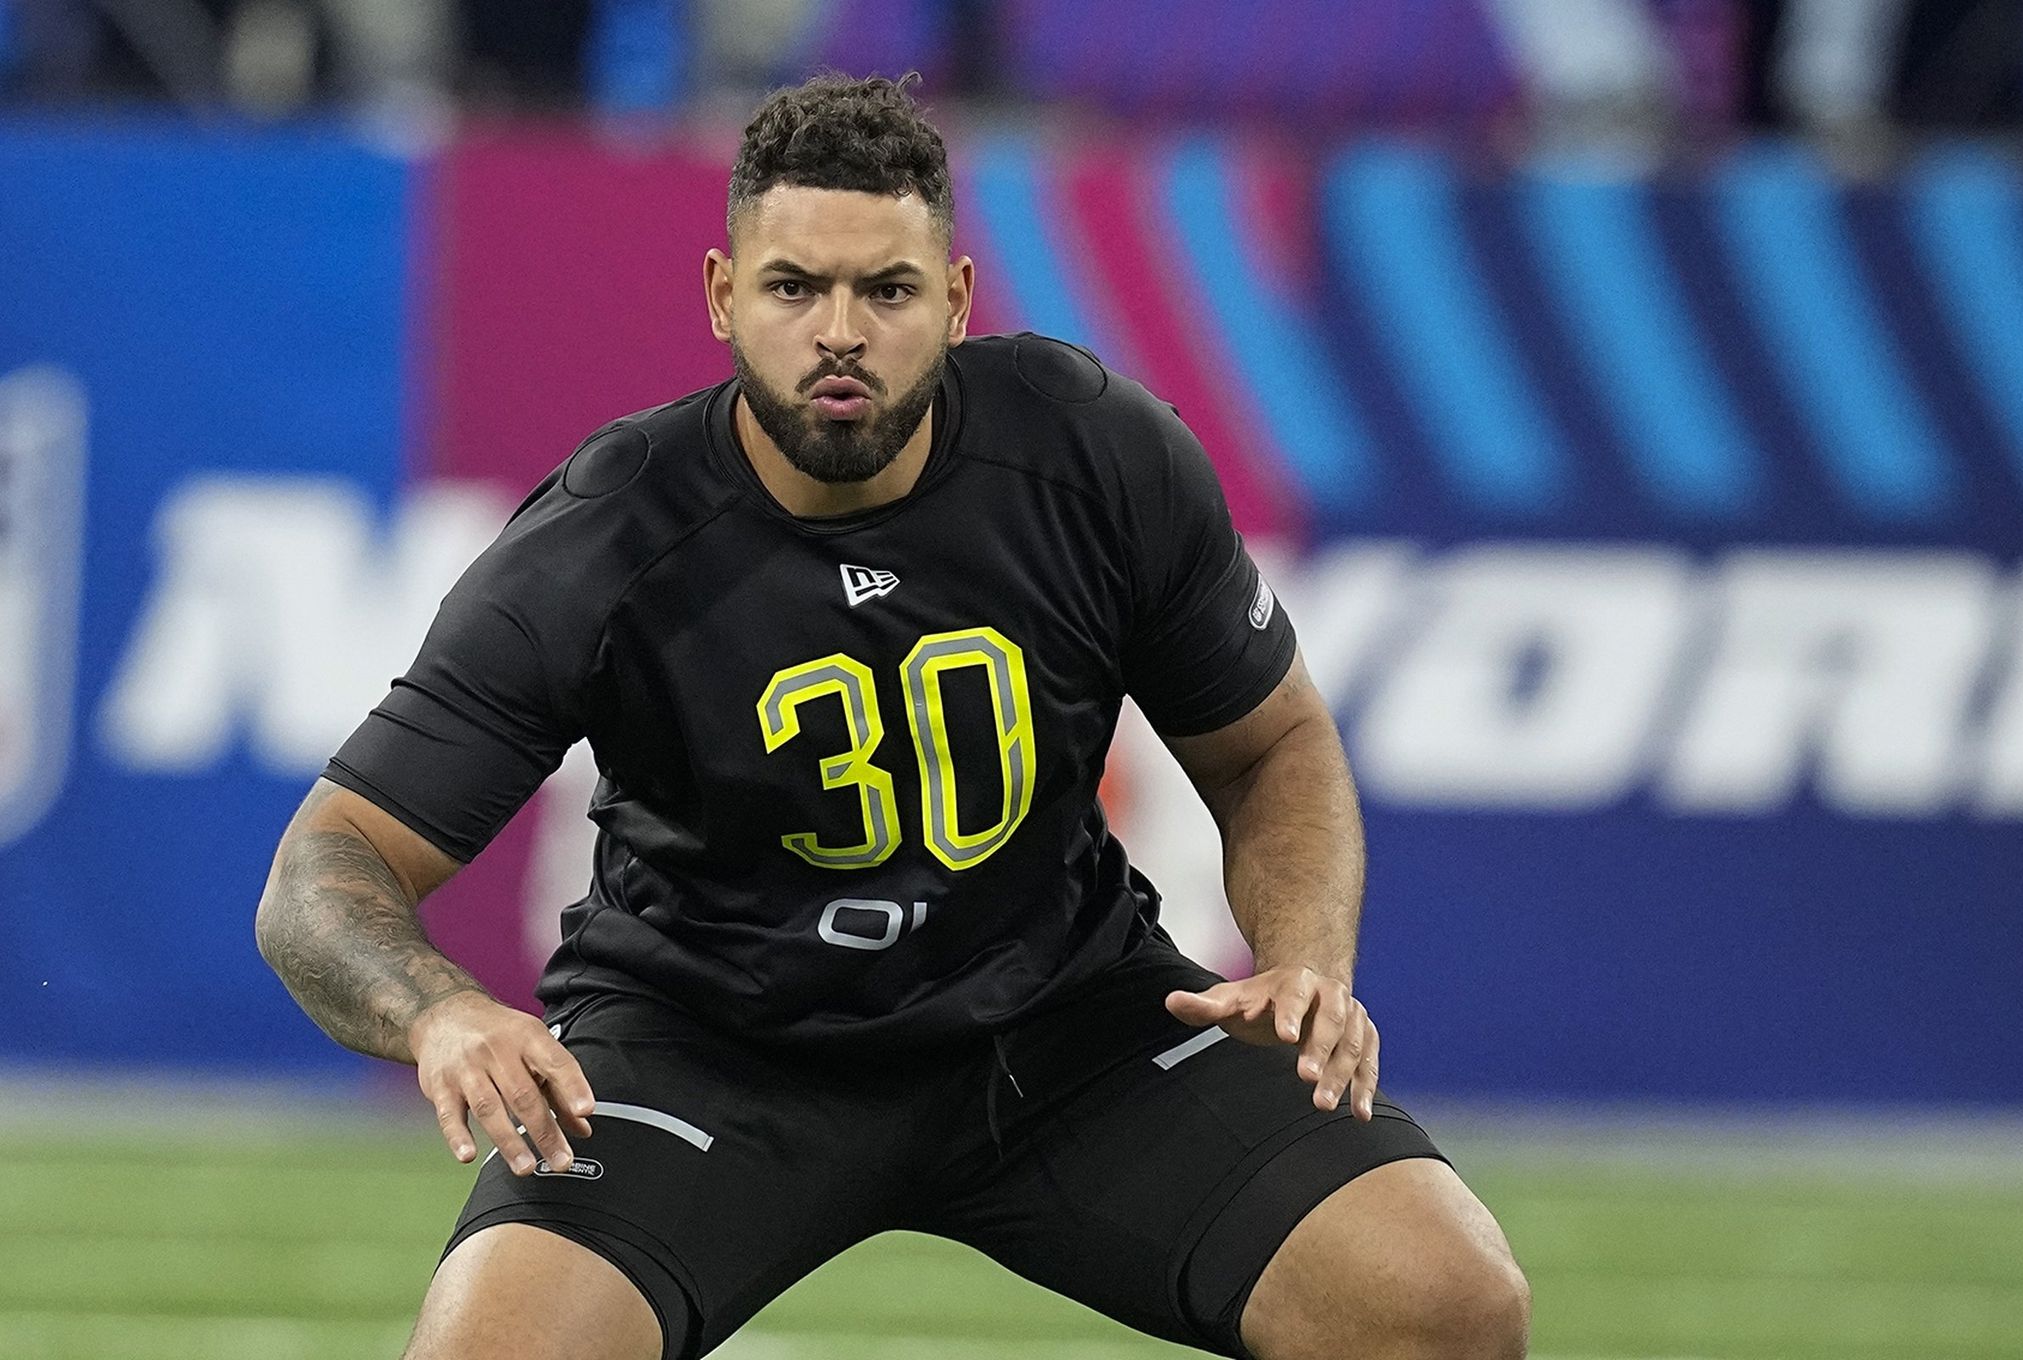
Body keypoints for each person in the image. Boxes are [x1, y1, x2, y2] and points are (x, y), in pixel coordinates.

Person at [254, 73, 1530, 1360]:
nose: (840, 332)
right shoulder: (601, 541)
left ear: (960, 300)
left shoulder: (1093, 455)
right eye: (795, 286)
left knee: (1445, 1302)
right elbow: (322, 867)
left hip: (1061, 1026)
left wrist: (1306, 956)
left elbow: (1271, 745)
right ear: (721, 295)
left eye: (889, 289)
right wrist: (440, 1011)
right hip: (715, 1048)